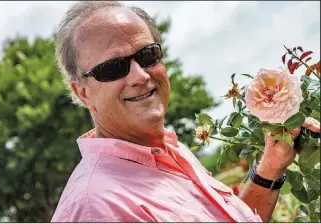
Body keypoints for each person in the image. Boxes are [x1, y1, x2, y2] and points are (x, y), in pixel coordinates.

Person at [51, 1, 320, 222]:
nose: (140, 75)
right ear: (82, 92)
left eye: (148, 55)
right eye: (112, 67)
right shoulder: (95, 209)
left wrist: (270, 168)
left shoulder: (169, 152)